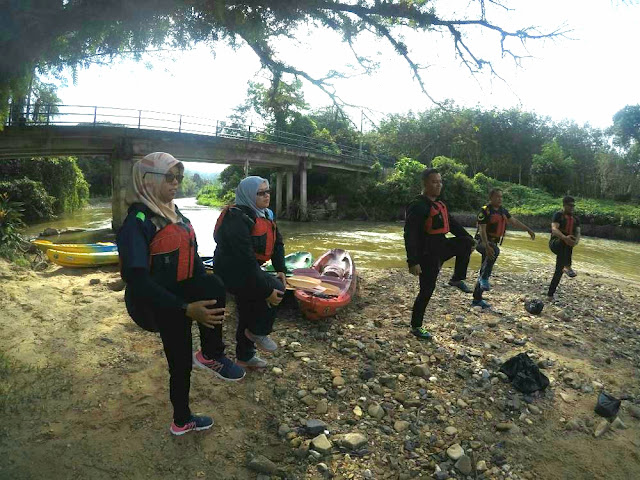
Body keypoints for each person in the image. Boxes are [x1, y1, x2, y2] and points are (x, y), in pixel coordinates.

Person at [117, 152, 245, 437]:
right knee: (180, 362)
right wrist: (185, 308)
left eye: (179, 178)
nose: (176, 183)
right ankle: (182, 419)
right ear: (148, 180)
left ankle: (211, 354)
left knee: (214, 285)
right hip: (151, 301)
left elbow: (194, 257)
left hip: (178, 290)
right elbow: (137, 280)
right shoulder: (137, 222)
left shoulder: (176, 214)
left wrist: (205, 288)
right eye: (170, 177)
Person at [213, 176, 286, 368]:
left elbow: (277, 243)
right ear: (248, 195)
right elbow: (244, 259)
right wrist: (266, 290)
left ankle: (245, 356)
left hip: (249, 267)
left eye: (267, 191)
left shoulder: (266, 214)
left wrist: (281, 269)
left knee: (250, 307)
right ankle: (257, 333)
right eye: (260, 193)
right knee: (271, 291)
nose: (266, 196)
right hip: (230, 270)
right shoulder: (236, 218)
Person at [404, 167, 475, 340]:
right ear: (424, 184)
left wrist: (471, 239)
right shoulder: (418, 205)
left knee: (466, 242)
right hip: (427, 254)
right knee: (427, 290)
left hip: (441, 247)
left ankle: (457, 278)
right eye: (434, 182)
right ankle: (416, 326)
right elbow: (410, 234)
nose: (438, 185)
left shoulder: (439, 204)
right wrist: (413, 261)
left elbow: (453, 224)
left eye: (440, 182)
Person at [472, 188, 536, 309]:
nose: (500, 199)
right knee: (494, 252)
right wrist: (486, 245)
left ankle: (477, 299)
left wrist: (528, 229)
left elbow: (514, 221)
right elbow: (482, 229)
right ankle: (484, 279)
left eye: (501, 197)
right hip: (482, 242)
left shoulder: (503, 211)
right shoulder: (485, 210)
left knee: (484, 268)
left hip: (493, 243)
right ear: (491, 198)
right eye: (497, 197)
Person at [547, 196, 581, 299]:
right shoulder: (558, 215)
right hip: (556, 243)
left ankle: (550, 294)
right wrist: (564, 238)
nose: (572, 208)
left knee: (559, 270)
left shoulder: (576, 219)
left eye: (573, 206)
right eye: (570, 205)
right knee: (566, 241)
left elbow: (578, 233)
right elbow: (554, 229)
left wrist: (575, 242)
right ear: (564, 205)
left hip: (566, 247)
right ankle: (568, 266)